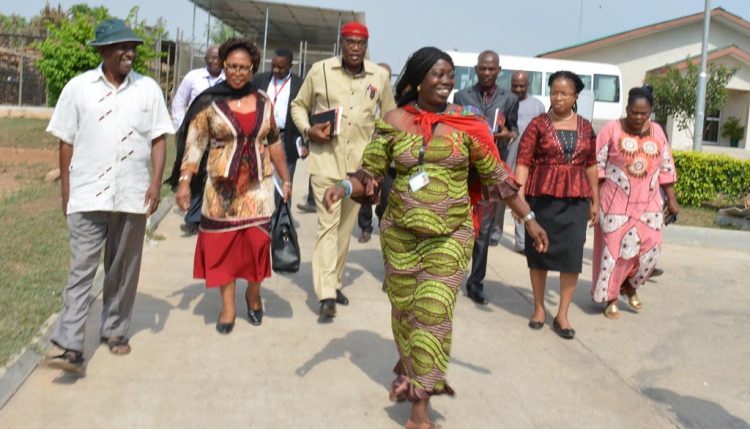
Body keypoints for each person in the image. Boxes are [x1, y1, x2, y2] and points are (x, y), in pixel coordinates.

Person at [322, 47, 548, 429]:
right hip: (400, 236)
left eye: (449, 76)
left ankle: (419, 413)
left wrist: (529, 219)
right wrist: (343, 188)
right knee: (406, 316)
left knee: (434, 313)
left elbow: (498, 177)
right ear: (417, 81)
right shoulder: (395, 120)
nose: (446, 82)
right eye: (437, 75)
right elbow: (371, 173)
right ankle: (413, 373)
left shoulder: (469, 124)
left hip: (450, 236)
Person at [44, 18, 174, 372]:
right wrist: (67, 189)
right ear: (103, 51)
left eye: (132, 47)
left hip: (132, 193)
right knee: (81, 270)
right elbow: (66, 140)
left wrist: (155, 182)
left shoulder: (147, 89)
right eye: (121, 47)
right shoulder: (78, 88)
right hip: (87, 193)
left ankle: (115, 330)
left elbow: (159, 138)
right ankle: (70, 343)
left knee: (123, 268)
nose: (129, 52)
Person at [174, 38, 292, 333]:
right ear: (223, 67)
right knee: (222, 248)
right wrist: (185, 182)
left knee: (256, 245)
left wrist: (286, 178)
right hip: (221, 189)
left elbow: (274, 141)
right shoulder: (210, 102)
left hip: (257, 187)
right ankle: (228, 307)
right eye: (232, 67)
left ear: (252, 69)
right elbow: (195, 144)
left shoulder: (264, 101)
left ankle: (253, 294)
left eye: (243, 67)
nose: (237, 72)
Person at [290, 22, 395, 318]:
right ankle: (325, 295)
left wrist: (380, 154)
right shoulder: (320, 70)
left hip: (359, 169)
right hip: (326, 162)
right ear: (341, 43)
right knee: (328, 226)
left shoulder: (380, 76)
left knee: (345, 229)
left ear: (366, 46)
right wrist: (309, 129)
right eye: (350, 42)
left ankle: (334, 282)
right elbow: (299, 105)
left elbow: (389, 117)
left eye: (360, 43)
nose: (355, 48)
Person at [515, 70, 600, 340]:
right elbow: (523, 162)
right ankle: (539, 308)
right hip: (541, 199)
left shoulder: (586, 127)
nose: (558, 98)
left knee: (571, 257)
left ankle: (562, 314)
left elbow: (591, 164)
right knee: (539, 254)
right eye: (554, 92)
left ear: (575, 96)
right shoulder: (537, 125)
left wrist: (595, 199)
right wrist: (519, 200)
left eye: (564, 93)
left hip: (575, 201)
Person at [592, 86, 679, 319]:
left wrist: (671, 199)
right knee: (613, 252)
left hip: (649, 201)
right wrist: (595, 199)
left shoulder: (658, 132)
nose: (638, 118)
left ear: (650, 111)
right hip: (615, 201)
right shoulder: (611, 129)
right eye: (634, 112)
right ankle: (610, 297)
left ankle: (630, 285)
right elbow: (595, 164)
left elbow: (666, 167)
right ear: (627, 109)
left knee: (652, 249)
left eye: (644, 113)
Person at [453, 50, 519, 305]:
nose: (487, 73)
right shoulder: (462, 96)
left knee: (483, 231)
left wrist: (505, 135)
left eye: (492, 69)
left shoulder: (510, 99)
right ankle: (451, 275)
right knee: (458, 225)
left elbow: (512, 130)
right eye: (483, 68)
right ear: (476, 69)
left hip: (490, 172)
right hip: (463, 169)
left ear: (498, 70)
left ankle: (475, 283)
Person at [171, 45, 224, 235]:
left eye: (218, 58)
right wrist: (181, 128)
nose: (214, 61)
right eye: (211, 58)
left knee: (216, 176)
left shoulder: (228, 79)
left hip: (220, 138)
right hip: (195, 137)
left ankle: (213, 216)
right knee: (195, 175)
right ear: (205, 59)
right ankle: (193, 218)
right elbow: (179, 103)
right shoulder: (193, 78)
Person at [251, 47, 305, 206]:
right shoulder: (259, 80)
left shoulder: (299, 84)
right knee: (259, 179)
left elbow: (305, 112)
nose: (276, 70)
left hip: (285, 137)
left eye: (281, 67)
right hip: (260, 136)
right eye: (273, 65)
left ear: (290, 65)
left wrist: (305, 142)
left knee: (284, 182)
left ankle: (281, 225)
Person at [505, 71, 546, 253]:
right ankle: (493, 235)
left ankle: (522, 243)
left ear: (528, 85)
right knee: (502, 197)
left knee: (521, 198)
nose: (518, 89)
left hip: (528, 161)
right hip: (507, 157)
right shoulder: (506, 101)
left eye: (522, 86)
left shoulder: (538, 106)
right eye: (515, 85)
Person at [357, 62, 393, 243]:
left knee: (384, 195)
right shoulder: (365, 94)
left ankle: (382, 217)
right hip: (365, 150)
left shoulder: (394, 99)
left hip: (386, 154)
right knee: (365, 191)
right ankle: (365, 226)